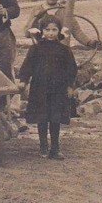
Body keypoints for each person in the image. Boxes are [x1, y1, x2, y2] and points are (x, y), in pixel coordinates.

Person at [26, 0, 99, 125]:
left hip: (61, 56)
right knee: (41, 86)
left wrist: (90, 42)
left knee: (63, 84)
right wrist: (36, 19)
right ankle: (41, 117)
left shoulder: (66, 11)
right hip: (42, 55)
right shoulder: (37, 10)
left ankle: (62, 117)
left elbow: (77, 31)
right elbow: (27, 33)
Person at [18, 15, 77, 159]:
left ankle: (55, 148)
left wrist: (70, 86)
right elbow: (27, 66)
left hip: (58, 90)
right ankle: (43, 146)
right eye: (47, 30)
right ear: (42, 31)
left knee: (55, 119)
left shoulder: (64, 50)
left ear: (59, 31)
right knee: (42, 118)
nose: (50, 33)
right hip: (40, 89)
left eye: (54, 30)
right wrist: (23, 80)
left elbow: (71, 69)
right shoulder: (35, 49)